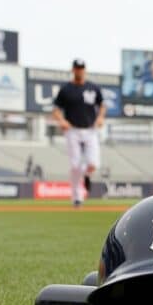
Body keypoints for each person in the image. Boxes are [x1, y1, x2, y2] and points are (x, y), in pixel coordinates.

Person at [52, 59, 105, 207]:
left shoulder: (93, 88)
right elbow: (55, 110)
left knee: (93, 164)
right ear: (73, 70)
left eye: (82, 68)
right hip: (72, 130)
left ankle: (87, 175)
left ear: (84, 70)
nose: (80, 71)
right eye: (77, 68)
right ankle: (77, 198)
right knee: (75, 166)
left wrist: (100, 117)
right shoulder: (66, 89)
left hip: (90, 129)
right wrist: (61, 121)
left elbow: (102, 105)